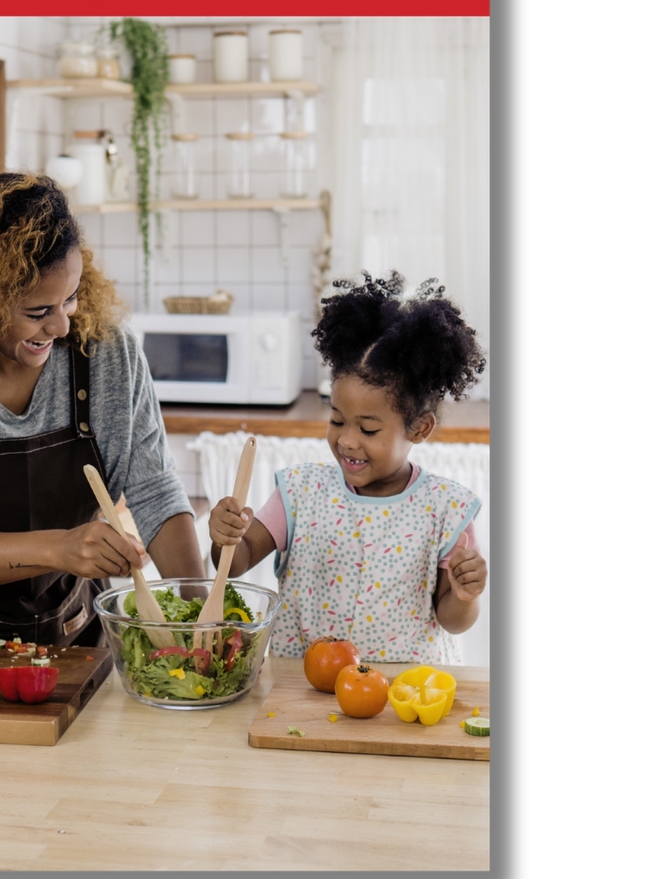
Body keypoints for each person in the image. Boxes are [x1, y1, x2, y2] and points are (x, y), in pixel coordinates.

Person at [0, 172, 204, 644]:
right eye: (37, 311)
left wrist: (202, 617)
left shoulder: (106, 355)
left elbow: (154, 492)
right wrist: (59, 547)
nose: (60, 326)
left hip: (81, 631)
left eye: (70, 297)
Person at [207, 271, 487, 665]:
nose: (348, 440)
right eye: (337, 420)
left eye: (368, 429)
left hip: (402, 698)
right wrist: (224, 535)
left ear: (419, 428)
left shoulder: (446, 510)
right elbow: (235, 563)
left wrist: (466, 595)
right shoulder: (301, 492)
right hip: (304, 690)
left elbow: (453, 621)